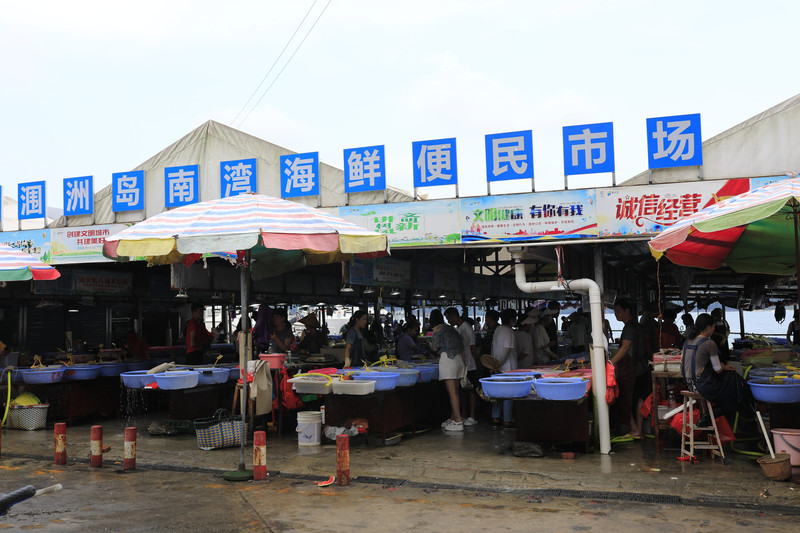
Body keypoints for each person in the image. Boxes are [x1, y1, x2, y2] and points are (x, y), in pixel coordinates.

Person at [681, 313, 754, 426]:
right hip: (702, 386)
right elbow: (718, 369)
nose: (714, 330)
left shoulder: (688, 341)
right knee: (735, 393)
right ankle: (707, 417)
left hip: (689, 383)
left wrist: (722, 366)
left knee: (734, 392)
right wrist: (724, 366)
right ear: (708, 327)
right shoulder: (709, 343)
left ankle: (708, 416)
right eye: (713, 327)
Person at [429, 308, 466, 432]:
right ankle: (453, 418)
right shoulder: (451, 329)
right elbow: (462, 348)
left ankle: (458, 421)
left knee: (452, 392)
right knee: (456, 391)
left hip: (447, 360)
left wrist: (430, 346)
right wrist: (465, 365)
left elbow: (434, 348)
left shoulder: (437, 329)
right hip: (459, 360)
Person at [609, 299, 639, 438]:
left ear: (627, 311)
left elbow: (625, 347)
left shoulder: (629, 327)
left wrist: (611, 362)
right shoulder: (634, 326)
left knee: (626, 399)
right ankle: (637, 429)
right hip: (636, 368)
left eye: (618, 311)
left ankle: (634, 429)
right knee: (633, 399)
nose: (616, 314)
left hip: (629, 369)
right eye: (615, 311)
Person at [445, 307, 478, 426]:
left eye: (448, 318)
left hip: (470, 364)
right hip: (462, 365)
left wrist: (477, 361)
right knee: (463, 390)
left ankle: (472, 416)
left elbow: (472, 346)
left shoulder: (466, 327)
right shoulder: (458, 329)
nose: (448, 321)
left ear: (454, 316)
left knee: (471, 391)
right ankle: (464, 414)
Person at [491, 308, 518, 428]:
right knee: (509, 394)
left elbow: (493, 347)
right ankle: (507, 420)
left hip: (496, 366)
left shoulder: (497, 329)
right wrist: (500, 364)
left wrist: (493, 365)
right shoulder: (509, 331)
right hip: (508, 368)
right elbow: (507, 350)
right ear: (512, 320)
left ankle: (496, 417)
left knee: (497, 394)